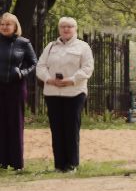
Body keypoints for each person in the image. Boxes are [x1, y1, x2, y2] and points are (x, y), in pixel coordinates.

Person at [36, 16, 94, 173]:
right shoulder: (50, 46)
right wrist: (48, 79)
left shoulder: (83, 47)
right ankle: (59, 164)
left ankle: (72, 164)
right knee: (56, 129)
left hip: (74, 92)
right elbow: (40, 66)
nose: (66, 29)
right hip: (52, 92)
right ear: (59, 29)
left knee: (71, 128)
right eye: (63, 26)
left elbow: (87, 68)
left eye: (69, 26)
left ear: (75, 29)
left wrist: (72, 80)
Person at [0, 13, 38, 171]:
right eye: (2, 24)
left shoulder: (24, 43)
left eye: (8, 24)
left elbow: (33, 63)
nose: (4, 27)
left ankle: (17, 163)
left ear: (15, 26)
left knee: (15, 123)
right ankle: (2, 161)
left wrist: (22, 73)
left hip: (16, 88)